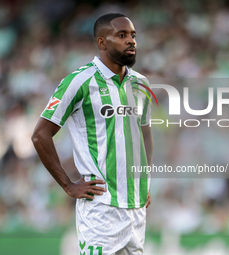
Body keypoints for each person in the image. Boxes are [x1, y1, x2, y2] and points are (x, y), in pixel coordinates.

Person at [32, 13, 153, 254]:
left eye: (133, 35)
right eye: (122, 35)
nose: (131, 41)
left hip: (136, 209)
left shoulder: (141, 84)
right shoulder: (79, 81)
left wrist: (145, 179)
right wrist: (68, 185)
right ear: (102, 43)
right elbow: (40, 135)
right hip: (101, 208)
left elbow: (145, 134)